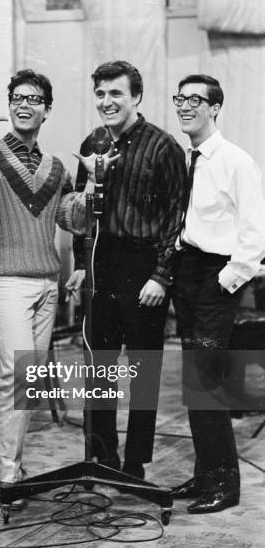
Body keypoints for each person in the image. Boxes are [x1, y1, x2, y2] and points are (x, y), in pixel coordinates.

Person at [0, 70, 91, 506]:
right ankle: (9, 477)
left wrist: (93, 184)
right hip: (6, 281)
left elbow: (74, 220)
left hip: (47, 282)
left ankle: (2, 462)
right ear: (9, 106)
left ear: (47, 109)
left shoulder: (57, 166)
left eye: (35, 99)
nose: (25, 105)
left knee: (28, 379)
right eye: (18, 98)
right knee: (20, 375)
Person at [66, 60, 188, 479]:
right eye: (100, 94)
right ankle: (104, 457)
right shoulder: (93, 142)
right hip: (102, 263)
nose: (107, 102)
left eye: (115, 93)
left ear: (136, 96)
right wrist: (83, 266)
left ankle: (135, 463)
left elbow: (177, 216)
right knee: (98, 365)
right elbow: (83, 216)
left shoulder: (164, 146)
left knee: (142, 370)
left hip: (144, 267)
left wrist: (161, 275)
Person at [170, 74, 265, 513]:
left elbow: (255, 236)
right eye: (180, 98)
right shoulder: (190, 159)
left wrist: (224, 282)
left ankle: (226, 486)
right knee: (195, 383)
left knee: (207, 385)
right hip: (188, 274)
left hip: (214, 279)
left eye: (195, 100)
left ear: (215, 108)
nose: (185, 106)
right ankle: (206, 474)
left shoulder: (235, 161)